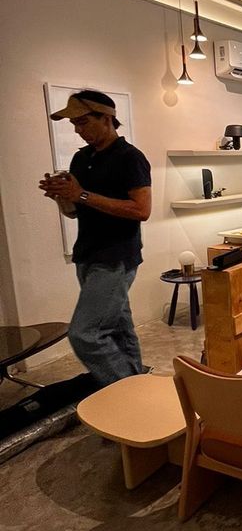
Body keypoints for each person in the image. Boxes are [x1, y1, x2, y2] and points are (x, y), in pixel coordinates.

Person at [38, 90, 151, 387]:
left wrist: (82, 194)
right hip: (87, 253)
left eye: (83, 122)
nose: (78, 130)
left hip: (116, 257)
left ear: (107, 118)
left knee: (85, 334)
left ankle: (126, 391)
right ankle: (137, 386)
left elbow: (142, 210)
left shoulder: (130, 157)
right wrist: (62, 196)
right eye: (74, 124)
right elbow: (75, 211)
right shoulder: (81, 158)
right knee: (118, 329)